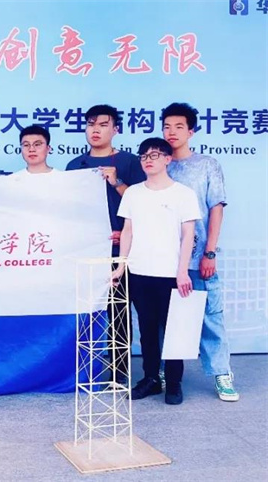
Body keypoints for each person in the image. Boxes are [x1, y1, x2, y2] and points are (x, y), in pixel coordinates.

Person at [113, 137, 200, 405]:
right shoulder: (133, 193)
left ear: (167, 159)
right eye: (143, 156)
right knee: (147, 329)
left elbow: (188, 235)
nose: (148, 160)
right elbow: (127, 231)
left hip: (171, 274)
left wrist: (182, 271)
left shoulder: (183, 194)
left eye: (154, 155)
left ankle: (174, 383)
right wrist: (121, 266)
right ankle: (151, 379)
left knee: (174, 331)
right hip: (139, 272)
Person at [162, 102, 239, 401]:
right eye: (167, 127)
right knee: (166, 317)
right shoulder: (160, 163)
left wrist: (210, 252)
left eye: (179, 127)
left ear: (191, 131)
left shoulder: (207, 164)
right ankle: (165, 373)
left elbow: (216, 208)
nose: (172, 132)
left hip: (198, 258)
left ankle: (222, 373)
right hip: (164, 259)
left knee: (210, 316)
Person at [66, 105, 146, 384]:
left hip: (119, 250)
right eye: (91, 124)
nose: (95, 129)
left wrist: (117, 182)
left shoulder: (130, 162)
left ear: (116, 129)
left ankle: (119, 371)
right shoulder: (75, 166)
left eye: (103, 124)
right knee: (84, 308)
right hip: (85, 251)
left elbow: (143, 204)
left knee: (118, 311)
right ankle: (81, 368)